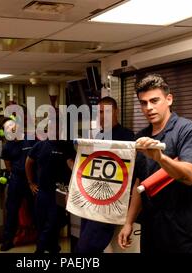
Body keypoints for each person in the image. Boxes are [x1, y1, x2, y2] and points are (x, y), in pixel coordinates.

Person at [117, 74, 192, 253]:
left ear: (169, 99)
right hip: (152, 231)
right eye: (143, 103)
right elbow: (139, 183)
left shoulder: (188, 131)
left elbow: (190, 176)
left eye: (154, 100)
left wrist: (160, 158)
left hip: (182, 233)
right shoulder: (141, 138)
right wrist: (128, 222)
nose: (149, 108)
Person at [75, 96, 135, 254]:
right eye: (99, 112)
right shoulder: (97, 137)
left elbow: (131, 173)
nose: (101, 116)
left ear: (116, 111)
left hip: (109, 202)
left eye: (106, 112)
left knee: (86, 248)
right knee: (83, 243)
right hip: (91, 201)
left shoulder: (128, 137)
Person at [25, 117, 75, 254]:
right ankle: (53, 248)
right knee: (41, 223)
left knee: (54, 222)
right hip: (42, 192)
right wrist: (31, 183)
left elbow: (72, 165)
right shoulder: (39, 146)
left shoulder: (66, 146)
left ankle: (39, 250)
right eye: (53, 128)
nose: (56, 131)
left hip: (59, 192)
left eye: (59, 128)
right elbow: (28, 163)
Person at [0, 117, 37, 251]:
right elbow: (8, 166)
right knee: (12, 211)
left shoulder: (31, 139)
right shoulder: (7, 147)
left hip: (32, 180)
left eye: (11, 125)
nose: (10, 128)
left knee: (36, 210)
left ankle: (42, 240)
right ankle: (8, 241)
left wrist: (32, 179)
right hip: (16, 180)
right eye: (6, 127)